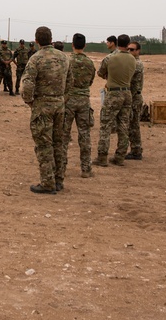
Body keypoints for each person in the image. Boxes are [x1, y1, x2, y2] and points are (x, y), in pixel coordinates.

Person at [20, 26, 71, 194]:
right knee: (58, 143)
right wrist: (62, 98)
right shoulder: (63, 58)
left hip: (42, 106)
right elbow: (70, 82)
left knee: (44, 144)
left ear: (36, 40)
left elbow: (27, 84)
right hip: (59, 105)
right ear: (51, 39)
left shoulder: (36, 59)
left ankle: (47, 182)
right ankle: (58, 179)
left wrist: (30, 101)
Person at [95, 33, 136, 167]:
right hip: (127, 93)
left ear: (117, 43)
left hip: (113, 94)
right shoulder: (133, 59)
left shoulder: (110, 58)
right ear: (128, 44)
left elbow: (100, 73)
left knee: (105, 125)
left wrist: (109, 75)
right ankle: (120, 157)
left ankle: (102, 157)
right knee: (124, 126)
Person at [63, 33, 96, 178]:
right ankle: (86, 169)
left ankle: (61, 168)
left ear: (72, 45)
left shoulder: (67, 61)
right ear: (84, 45)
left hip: (68, 100)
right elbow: (90, 81)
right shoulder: (89, 63)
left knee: (63, 135)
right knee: (85, 135)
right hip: (83, 101)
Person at [125, 40, 146, 160]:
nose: (130, 51)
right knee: (131, 124)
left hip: (134, 97)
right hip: (133, 96)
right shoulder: (132, 62)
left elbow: (131, 83)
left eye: (132, 49)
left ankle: (136, 150)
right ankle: (135, 149)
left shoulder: (136, 64)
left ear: (138, 51)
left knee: (133, 125)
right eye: (128, 49)